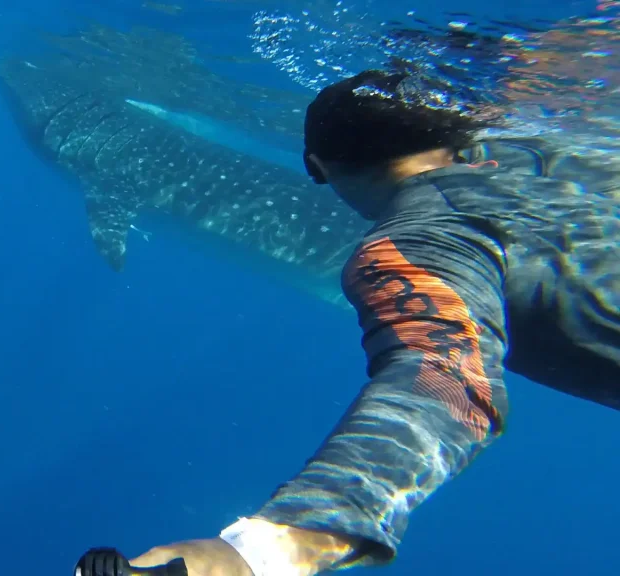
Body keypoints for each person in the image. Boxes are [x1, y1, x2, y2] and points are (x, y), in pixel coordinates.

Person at [124, 69, 620, 575]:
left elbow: (447, 383)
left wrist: (266, 550)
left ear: (320, 166)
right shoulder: (562, 151)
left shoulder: (417, 243)